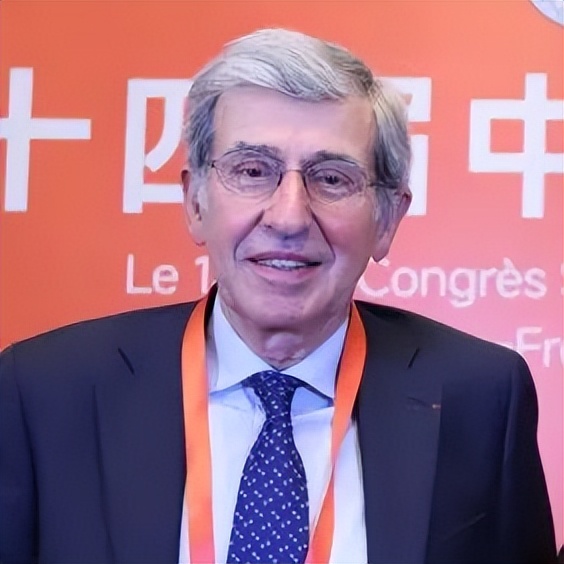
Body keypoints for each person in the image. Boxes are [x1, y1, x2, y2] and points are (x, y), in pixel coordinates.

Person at [0, 28, 557, 564]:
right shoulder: (46, 393)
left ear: (387, 218)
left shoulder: (480, 398)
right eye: (252, 171)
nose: (289, 217)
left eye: (331, 178)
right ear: (195, 202)